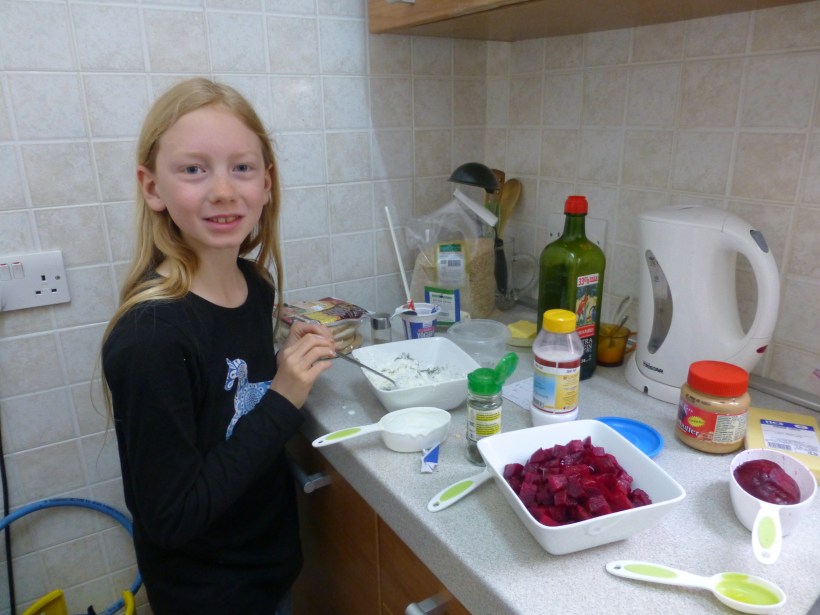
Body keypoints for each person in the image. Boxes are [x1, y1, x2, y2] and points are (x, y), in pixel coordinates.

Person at [101, 78, 336, 614]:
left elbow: (227, 408)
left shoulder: (254, 287)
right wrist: (283, 397)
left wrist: (280, 365)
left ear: (267, 183)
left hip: (269, 570)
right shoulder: (151, 338)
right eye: (193, 169)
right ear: (152, 186)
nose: (224, 190)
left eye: (242, 167)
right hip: (209, 598)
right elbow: (173, 515)